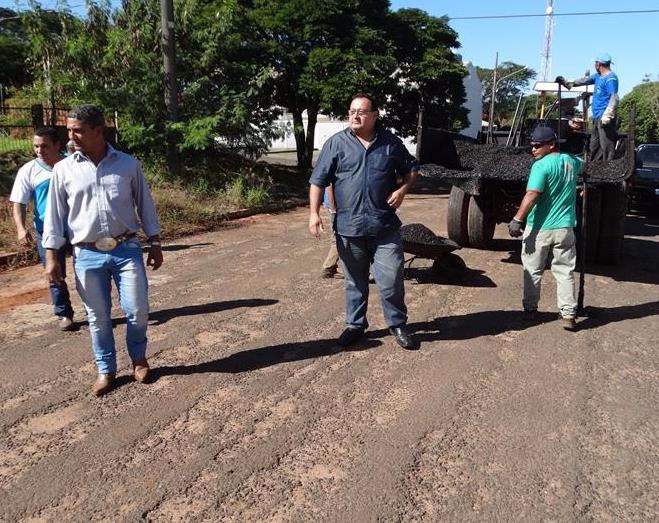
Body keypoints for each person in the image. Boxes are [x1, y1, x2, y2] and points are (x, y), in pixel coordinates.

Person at [43, 104, 163, 396]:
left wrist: (155, 241)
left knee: (137, 310)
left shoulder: (127, 164)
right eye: (69, 130)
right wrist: (51, 257)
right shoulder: (63, 169)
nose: (71, 136)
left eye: (78, 130)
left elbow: (144, 204)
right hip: (86, 254)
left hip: (126, 248)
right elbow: (54, 217)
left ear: (99, 130)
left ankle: (138, 359)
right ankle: (105, 370)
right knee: (97, 317)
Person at [309, 92, 419, 350]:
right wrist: (313, 213)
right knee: (354, 282)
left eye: (360, 111)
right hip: (349, 228)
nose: (354, 115)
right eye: (351, 111)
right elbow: (317, 181)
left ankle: (397, 324)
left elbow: (412, 169)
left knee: (391, 278)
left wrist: (402, 190)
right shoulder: (336, 144)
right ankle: (355, 325)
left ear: (374, 114)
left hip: (384, 227)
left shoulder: (391, 143)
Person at [508, 126, 583, 331]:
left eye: (538, 145)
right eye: (532, 145)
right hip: (565, 228)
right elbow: (585, 166)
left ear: (551, 144)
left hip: (540, 228)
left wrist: (517, 219)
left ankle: (530, 311)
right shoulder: (571, 161)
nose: (533, 149)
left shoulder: (540, 166)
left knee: (532, 270)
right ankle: (568, 314)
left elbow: (532, 194)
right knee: (565, 271)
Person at [10, 127, 75, 331]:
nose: (39, 150)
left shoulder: (73, 163)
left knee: (88, 269)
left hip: (77, 228)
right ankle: (64, 314)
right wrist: (21, 228)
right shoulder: (29, 170)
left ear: (57, 145)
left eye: (44, 146)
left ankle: (95, 308)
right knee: (55, 273)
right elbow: (18, 203)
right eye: (36, 146)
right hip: (46, 231)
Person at [555, 52, 619, 161]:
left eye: (595, 63)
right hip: (596, 116)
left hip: (604, 116)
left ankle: (608, 168)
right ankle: (594, 166)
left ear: (599, 64)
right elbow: (585, 80)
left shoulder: (610, 78)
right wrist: (568, 82)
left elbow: (614, 97)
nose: (594, 65)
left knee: (606, 144)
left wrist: (607, 115)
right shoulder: (598, 76)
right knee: (594, 144)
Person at [320, 184, 340, 278]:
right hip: (337, 206)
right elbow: (329, 185)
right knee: (339, 238)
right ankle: (328, 267)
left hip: (337, 204)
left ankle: (330, 267)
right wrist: (333, 208)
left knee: (339, 238)